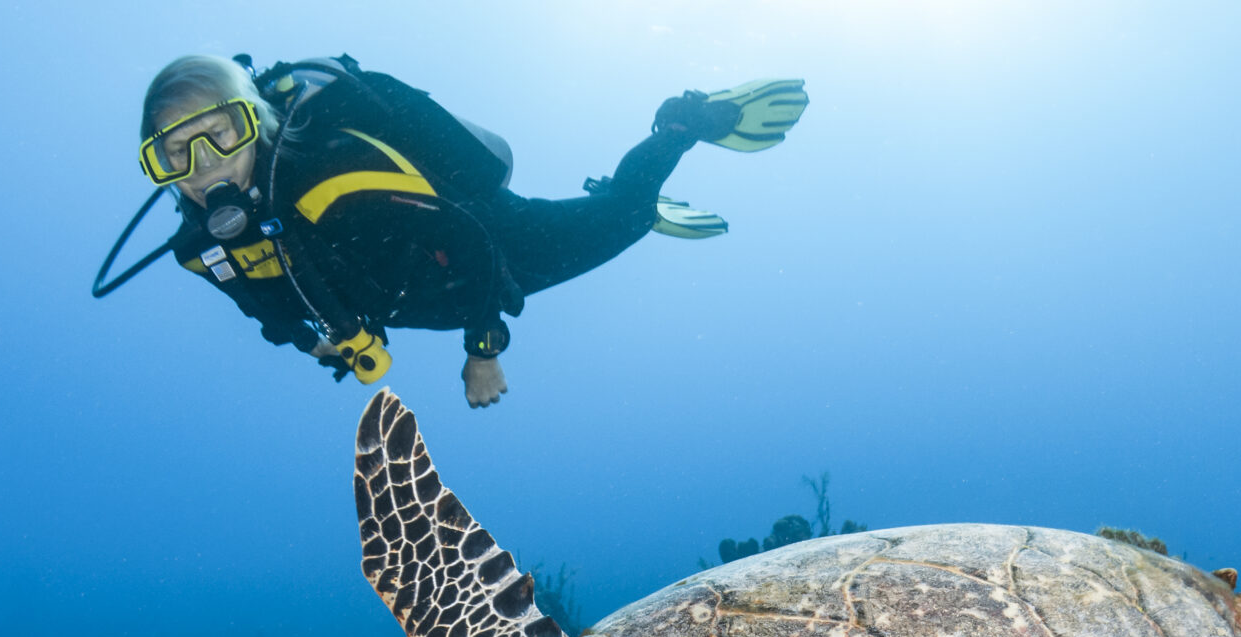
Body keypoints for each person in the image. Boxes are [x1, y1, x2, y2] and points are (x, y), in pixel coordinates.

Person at [109, 54, 806, 406]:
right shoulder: (200, 252)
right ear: (157, 167)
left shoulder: (332, 178)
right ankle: (633, 201)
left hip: (490, 253)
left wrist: (483, 351)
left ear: (253, 120)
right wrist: (310, 340)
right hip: (416, 299)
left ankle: (683, 123)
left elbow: (470, 239)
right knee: (615, 220)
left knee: (619, 219)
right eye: (176, 153)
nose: (205, 167)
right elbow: (265, 308)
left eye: (218, 135)